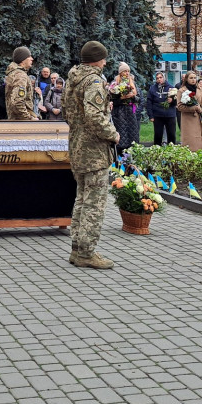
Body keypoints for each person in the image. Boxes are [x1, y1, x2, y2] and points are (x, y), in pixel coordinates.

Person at [63, 41, 119, 270]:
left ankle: (77, 248)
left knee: (82, 198)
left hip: (77, 146)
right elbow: (94, 117)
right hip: (94, 150)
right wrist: (113, 134)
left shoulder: (73, 79)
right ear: (96, 59)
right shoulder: (94, 80)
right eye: (104, 58)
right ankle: (87, 252)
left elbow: (70, 112)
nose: (105, 62)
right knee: (94, 203)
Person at [107, 62, 140, 150]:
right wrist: (121, 98)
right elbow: (111, 100)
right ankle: (119, 157)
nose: (127, 73)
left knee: (132, 139)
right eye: (125, 71)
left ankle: (130, 159)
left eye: (128, 71)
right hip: (119, 114)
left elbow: (139, 99)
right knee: (120, 138)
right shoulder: (115, 84)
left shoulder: (132, 83)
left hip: (130, 113)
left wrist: (132, 96)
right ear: (120, 72)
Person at [177, 70, 202, 152]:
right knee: (190, 142)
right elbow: (180, 106)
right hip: (188, 120)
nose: (193, 80)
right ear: (186, 79)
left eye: (195, 78)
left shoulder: (200, 89)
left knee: (201, 139)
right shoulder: (182, 90)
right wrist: (194, 108)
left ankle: (201, 156)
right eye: (191, 78)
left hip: (200, 118)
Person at [5, 47, 39, 121]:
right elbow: (17, 102)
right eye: (29, 57)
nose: (32, 59)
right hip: (22, 122)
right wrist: (29, 118)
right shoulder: (20, 75)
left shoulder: (15, 73)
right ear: (23, 60)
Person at [145, 72, 177, 145]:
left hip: (170, 115)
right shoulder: (152, 89)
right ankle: (157, 151)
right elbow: (149, 102)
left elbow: (177, 102)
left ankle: (172, 151)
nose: (159, 79)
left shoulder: (171, 88)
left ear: (164, 78)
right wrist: (151, 115)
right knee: (158, 135)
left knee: (171, 135)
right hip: (158, 115)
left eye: (161, 77)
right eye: (157, 78)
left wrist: (172, 101)